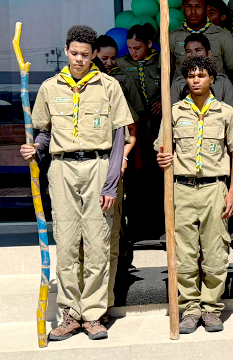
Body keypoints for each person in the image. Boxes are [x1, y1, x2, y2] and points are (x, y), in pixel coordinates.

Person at [22, 25, 133, 340]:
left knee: (98, 243)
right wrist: (35, 148)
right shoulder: (49, 87)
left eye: (85, 54)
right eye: (74, 53)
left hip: (99, 166)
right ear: (66, 51)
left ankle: (94, 314)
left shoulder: (109, 86)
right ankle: (70, 313)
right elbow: (44, 131)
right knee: (67, 242)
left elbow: (119, 137)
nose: (79, 59)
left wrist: (110, 184)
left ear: (94, 54)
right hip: (62, 169)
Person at [155, 56, 233, 333]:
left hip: (214, 189)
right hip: (182, 189)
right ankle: (190, 309)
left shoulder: (225, 113)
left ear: (212, 79)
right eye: (191, 76)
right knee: (184, 253)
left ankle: (211, 309)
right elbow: (163, 150)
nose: (196, 80)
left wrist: (232, 193)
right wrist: (163, 159)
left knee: (215, 252)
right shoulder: (174, 113)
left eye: (201, 75)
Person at [93, 36, 142, 311]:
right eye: (104, 59)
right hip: (86, 170)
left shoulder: (114, 87)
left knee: (116, 226)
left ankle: (117, 279)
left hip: (113, 169)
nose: (109, 64)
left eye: (113, 58)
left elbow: (132, 127)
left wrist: (123, 157)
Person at [117, 24, 164, 241]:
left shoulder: (161, 61)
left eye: (137, 48)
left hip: (157, 124)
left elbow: (173, 84)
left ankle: (159, 226)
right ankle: (136, 227)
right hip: (134, 124)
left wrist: (164, 100)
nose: (133, 52)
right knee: (136, 176)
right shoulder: (121, 64)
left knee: (158, 175)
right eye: (129, 48)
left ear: (149, 44)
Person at [169, 0, 233, 76]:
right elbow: (166, 72)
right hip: (181, 85)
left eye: (198, 6)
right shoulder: (173, 37)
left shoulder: (223, 36)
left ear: (206, 8)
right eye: (189, 6)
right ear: (183, 8)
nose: (193, 11)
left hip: (214, 85)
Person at [170, 33, 233, 108]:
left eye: (198, 50)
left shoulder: (222, 82)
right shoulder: (178, 84)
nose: (193, 55)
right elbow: (172, 112)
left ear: (209, 54)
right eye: (188, 51)